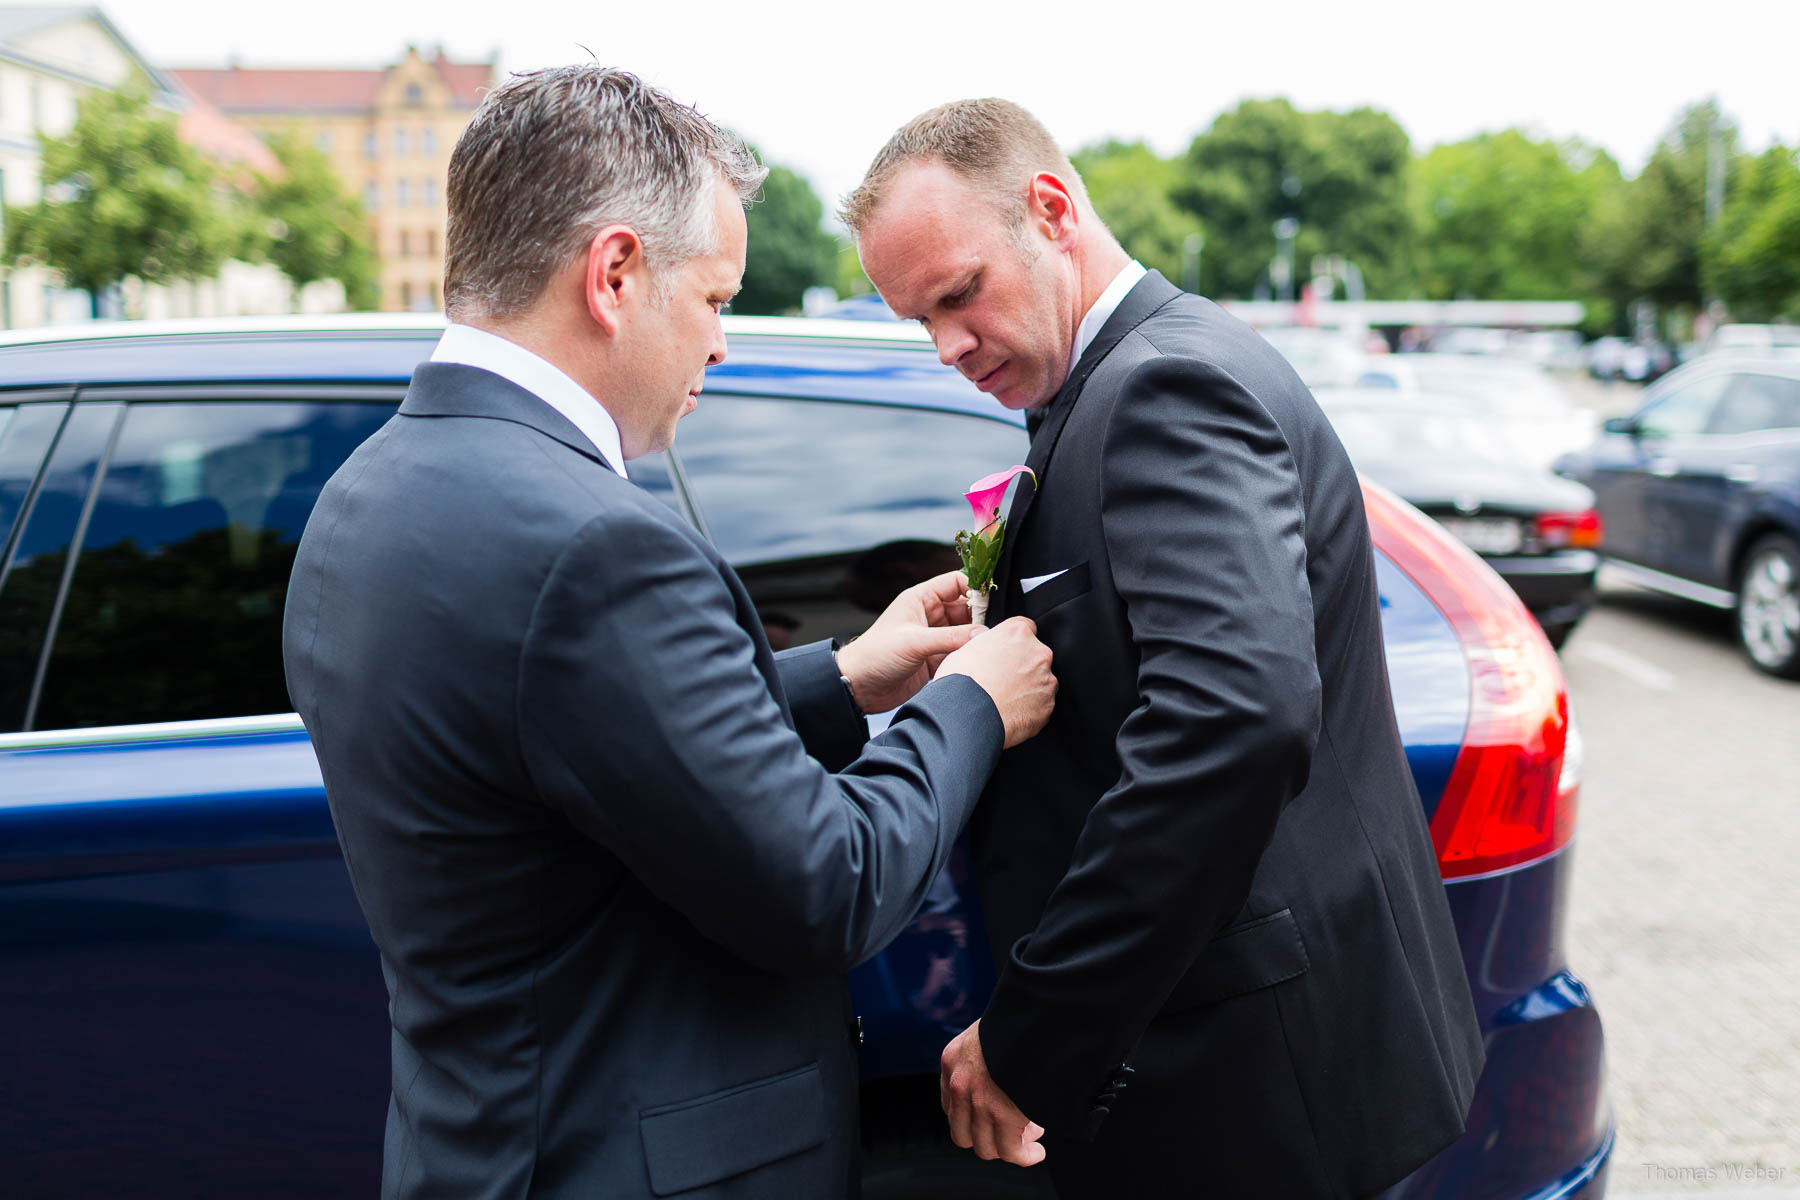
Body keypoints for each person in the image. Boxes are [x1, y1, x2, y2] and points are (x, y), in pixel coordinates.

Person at [282, 69, 1057, 1200]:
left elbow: (562, 746)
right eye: (714, 299)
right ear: (614, 275)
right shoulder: (596, 547)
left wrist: (844, 681)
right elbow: (826, 885)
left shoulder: (366, 496)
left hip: (483, 1149)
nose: (723, 347)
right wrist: (973, 704)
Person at [844, 98, 1485, 1199]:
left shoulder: (1165, 388)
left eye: (959, 296)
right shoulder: (1103, 387)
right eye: (919, 321)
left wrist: (1036, 1029)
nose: (948, 345)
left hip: (1243, 1086)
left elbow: (1233, 724)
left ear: (1051, 211)